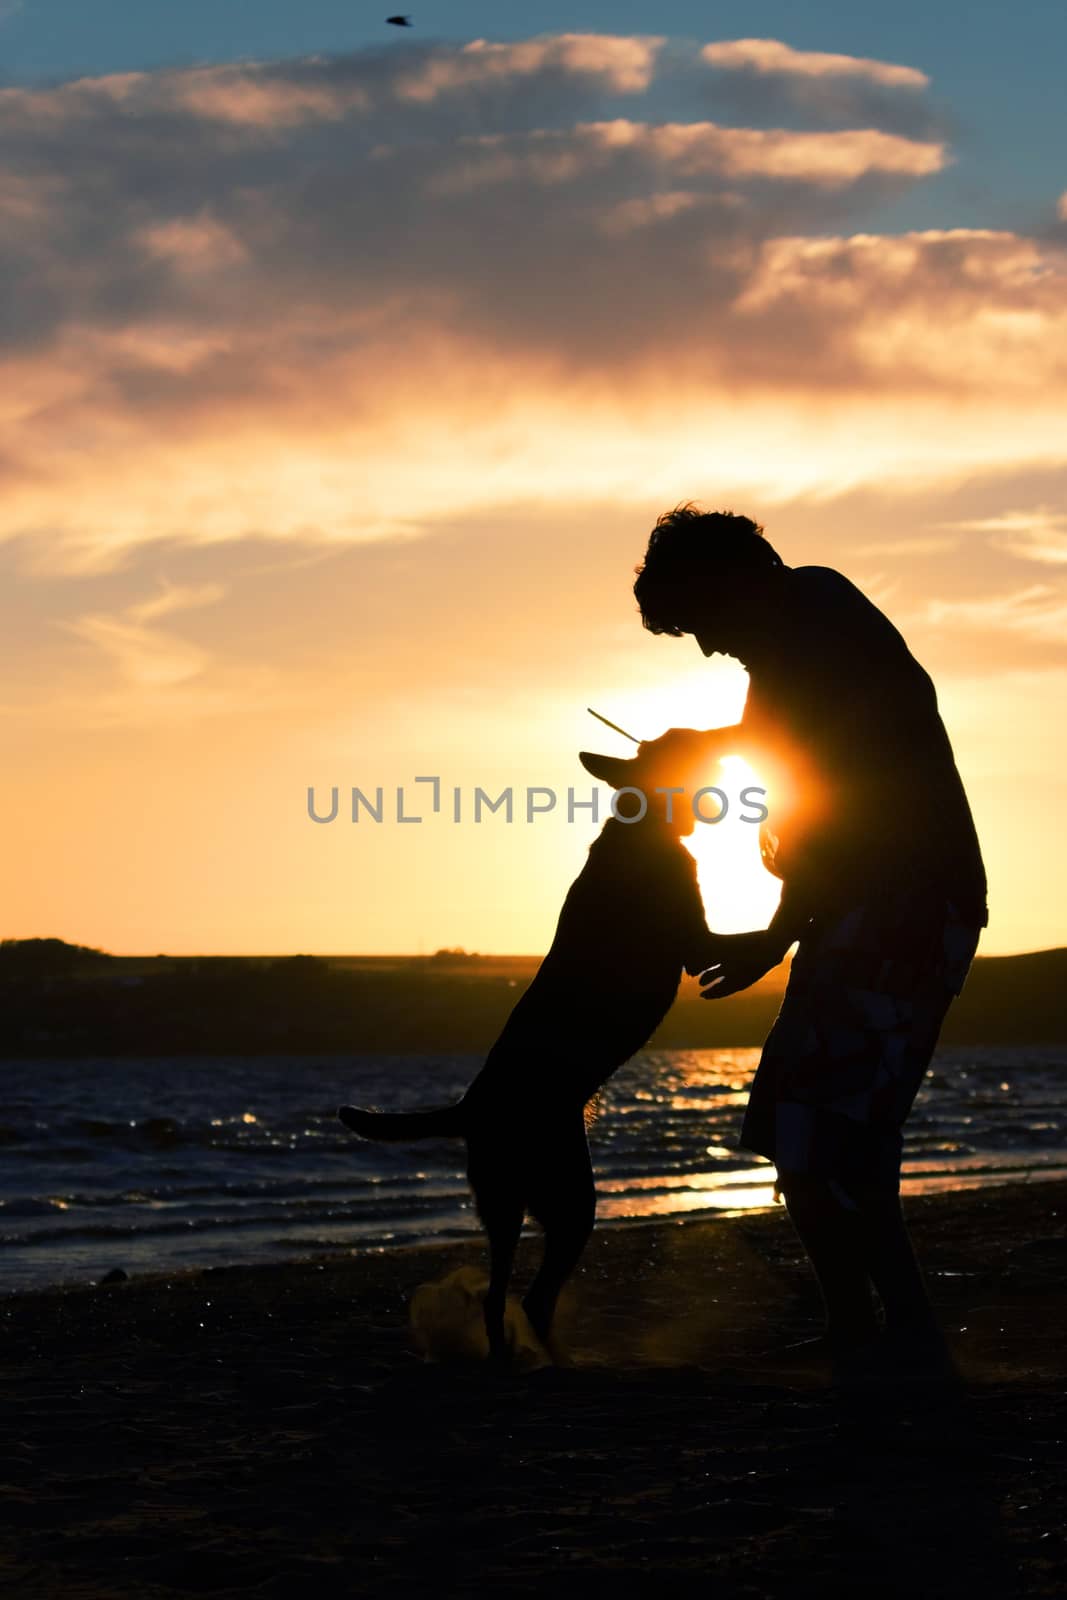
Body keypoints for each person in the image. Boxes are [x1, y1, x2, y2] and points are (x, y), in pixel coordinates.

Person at [633, 504, 988, 1376]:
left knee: (824, 1134)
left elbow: (851, 778)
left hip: (903, 906)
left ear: (729, 579)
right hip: (864, 908)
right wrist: (710, 745)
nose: (708, 646)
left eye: (701, 621)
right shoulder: (799, 635)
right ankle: (867, 1329)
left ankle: (892, 1334)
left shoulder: (812, 615)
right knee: (809, 1131)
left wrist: (777, 934)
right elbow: (797, 751)